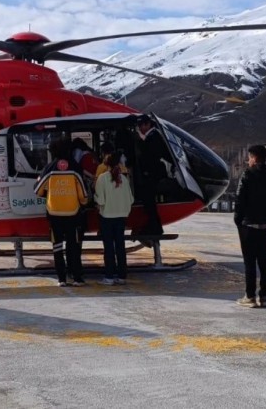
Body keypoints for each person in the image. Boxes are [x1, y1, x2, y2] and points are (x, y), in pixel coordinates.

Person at [35, 138, 89, 287]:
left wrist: (50, 194)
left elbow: (37, 190)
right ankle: (77, 278)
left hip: (54, 215)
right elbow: (84, 195)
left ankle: (61, 279)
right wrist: (81, 203)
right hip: (73, 215)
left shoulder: (49, 168)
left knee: (57, 247)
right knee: (73, 246)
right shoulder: (75, 168)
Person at [233, 145, 266, 308]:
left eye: (249, 157)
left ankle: (250, 296)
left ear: (253, 157)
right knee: (264, 261)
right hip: (265, 226)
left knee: (249, 262)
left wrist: (238, 220)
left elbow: (240, 200)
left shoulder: (247, 175)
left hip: (248, 225)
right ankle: (264, 296)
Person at [95, 151, 135, 285]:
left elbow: (100, 200)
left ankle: (109, 276)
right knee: (120, 246)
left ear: (106, 164)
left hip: (107, 216)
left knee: (108, 247)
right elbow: (130, 199)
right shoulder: (123, 178)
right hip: (121, 216)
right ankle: (122, 275)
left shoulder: (102, 178)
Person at [134, 114, 172, 235]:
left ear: (148, 124)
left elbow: (151, 156)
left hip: (152, 175)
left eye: (141, 125)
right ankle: (153, 225)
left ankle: (155, 227)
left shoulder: (153, 137)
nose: (140, 128)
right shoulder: (152, 136)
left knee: (149, 201)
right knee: (148, 201)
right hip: (153, 173)